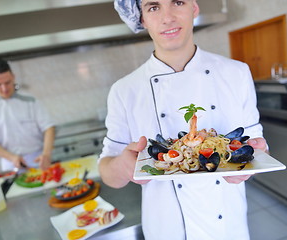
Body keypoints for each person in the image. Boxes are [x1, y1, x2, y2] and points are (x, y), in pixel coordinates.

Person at [99, 0, 268, 239]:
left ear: (194, 8)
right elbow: (107, 171)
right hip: (165, 229)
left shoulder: (237, 73)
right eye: (153, 7)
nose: (167, 17)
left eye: (178, 2)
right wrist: (123, 166)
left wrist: (254, 159)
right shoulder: (124, 90)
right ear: (142, 18)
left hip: (227, 226)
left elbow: (257, 143)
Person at [0, 58, 55, 171]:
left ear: (13, 77)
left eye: (7, 82)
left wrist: (46, 154)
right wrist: (11, 157)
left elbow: (49, 128)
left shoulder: (31, 101)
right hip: (11, 163)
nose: (4, 88)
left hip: (39, 159)